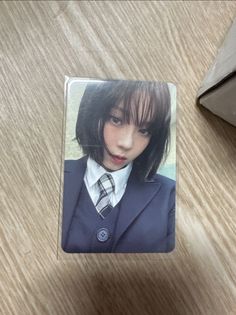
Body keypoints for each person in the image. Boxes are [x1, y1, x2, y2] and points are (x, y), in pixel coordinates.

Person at [61, 80, 175, 253]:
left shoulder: (171, 196)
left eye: (144, 130)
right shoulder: (53, 176)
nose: (126, 143)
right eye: (116, 120)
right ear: (92, 113)